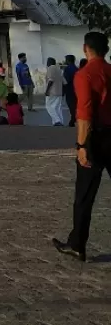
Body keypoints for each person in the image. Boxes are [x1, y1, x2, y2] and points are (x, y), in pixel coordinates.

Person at [53, 30, 111, 263]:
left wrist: (81, 145)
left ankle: (77, 244)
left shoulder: (84, 74)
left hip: (96, 139)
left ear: (85, 48)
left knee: (85, 195)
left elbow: (85, 114)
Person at [44, 59, 68, 126]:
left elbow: (51, 80)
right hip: (59, 91)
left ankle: (57, 121)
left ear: (49, 63)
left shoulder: (50, 68)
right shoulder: (59, 70)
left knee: (48, 106)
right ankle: (59, 122)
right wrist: (63, 92)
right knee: (57, 108)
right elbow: (65, 82)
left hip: (52, 92)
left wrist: (47, 91)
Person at [62, 54, 78, 126]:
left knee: (71, 105)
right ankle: (74, 118)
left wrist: (63, 90)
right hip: (76, 89)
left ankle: (73, 119)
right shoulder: (76, 68)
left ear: (68, 60)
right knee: (75, 105)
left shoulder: (67, 69)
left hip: (69, 90)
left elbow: (65, 81)